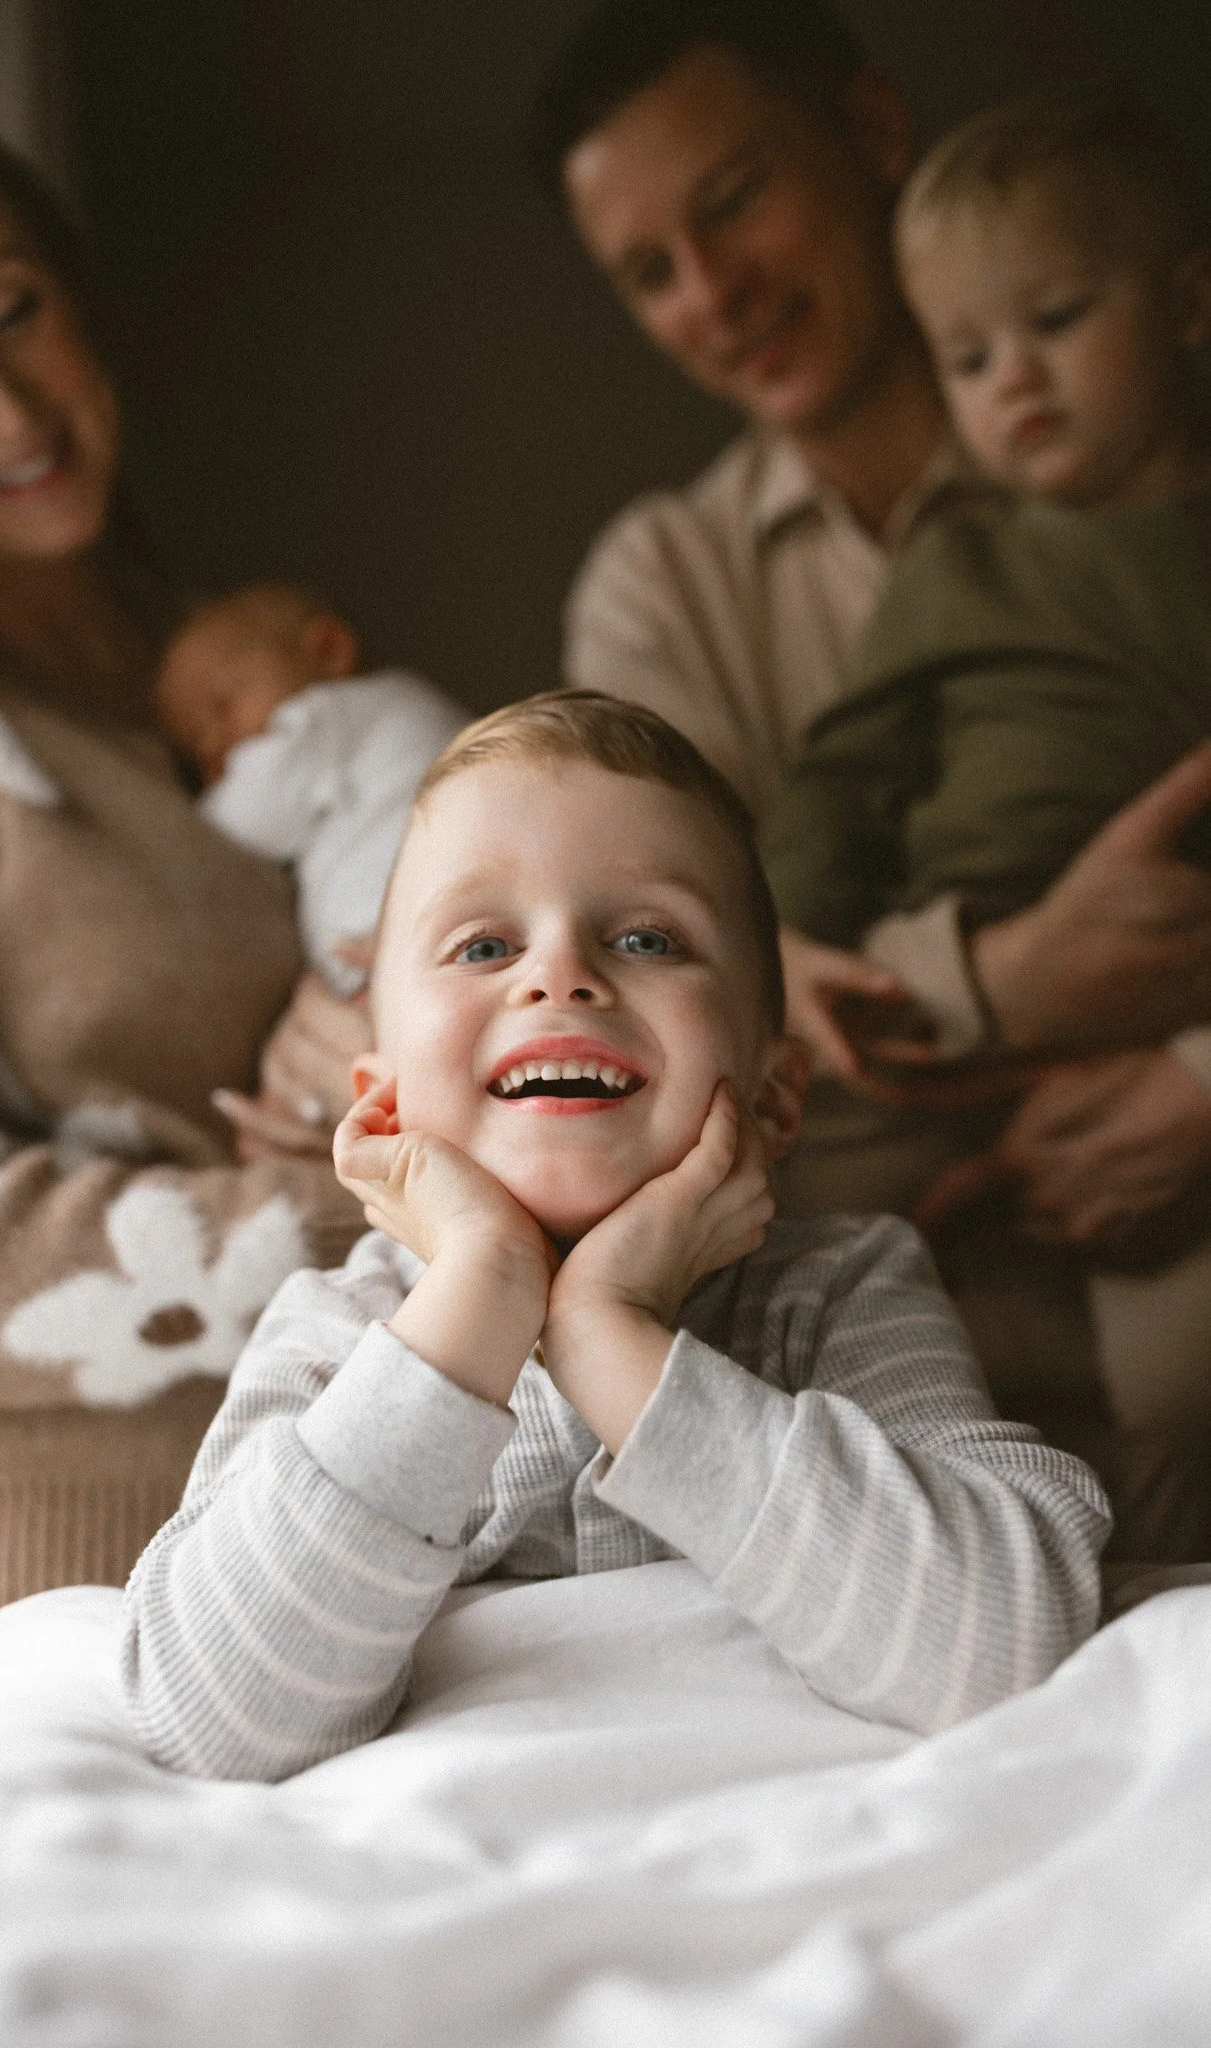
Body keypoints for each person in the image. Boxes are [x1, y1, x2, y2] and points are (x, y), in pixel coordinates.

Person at [120, 692, 1109, 1781]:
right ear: (385, 1104)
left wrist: (610, 1334)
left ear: (776, 1099)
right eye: (483, 942)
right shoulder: (339, 1330)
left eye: (646, 937)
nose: (559, 975)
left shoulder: (836, 1291)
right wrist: (481, 1293)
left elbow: (1003, 1645)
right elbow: (210, 1712)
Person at [521, 0, 1211, 1558]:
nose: (712, 291)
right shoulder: (663, 582)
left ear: (873, 138)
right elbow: (653, 1003)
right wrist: (1001, 981)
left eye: (734, 201)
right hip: (883, 1338)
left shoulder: (1150, 470)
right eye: (648, 270)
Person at [0, 74, 363, 1688]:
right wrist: (337, 1219)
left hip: (327, 1540)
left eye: (14, 312)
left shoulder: (214, 673)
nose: (5, 408)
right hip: (44, 1613)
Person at [767, 93, 1211, 1078]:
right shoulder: (959, 569)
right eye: (967, 358)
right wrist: (774, 940)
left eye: (1054, 319)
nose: (1012, 375)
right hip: (961, 983)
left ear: (1186, 305)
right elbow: (841, 778)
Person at [155, 583, 466, 1000]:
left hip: (420, 923)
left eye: (222, 705)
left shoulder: (328, 716)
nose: (213, 743)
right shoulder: (378, 715)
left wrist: (181, 812)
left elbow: (244, 822)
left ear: (328, 651)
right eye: (196, 747)